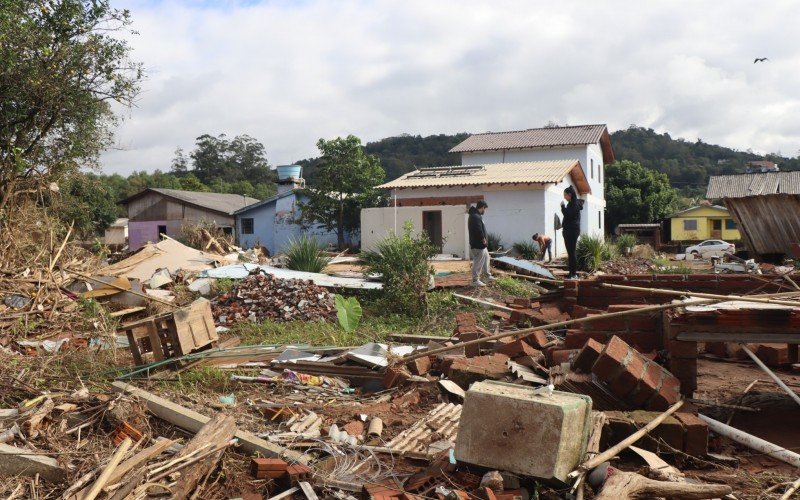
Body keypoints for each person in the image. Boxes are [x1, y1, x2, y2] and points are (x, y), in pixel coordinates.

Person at [467, 201, 495, 287]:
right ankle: (475, 280)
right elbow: (478, 229)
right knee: (478, 262)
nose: (485, 211)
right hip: (478, 244)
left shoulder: (476, 216)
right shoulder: (475, 217)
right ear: (482, 207)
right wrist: (483, 239)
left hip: (481, 245)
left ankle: (487, 276)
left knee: (486, 258)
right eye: (484, 209)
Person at [561, 186, 584, 279]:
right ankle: (571, 272)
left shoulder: (574, 204)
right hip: (569, 230)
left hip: (572, 231)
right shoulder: (571, 203)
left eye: (565, 195)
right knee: (570, 253)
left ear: (569, 195)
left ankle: (573, 274)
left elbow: (568, 214)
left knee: (572, 252)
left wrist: (562, 207)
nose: (564, 197)